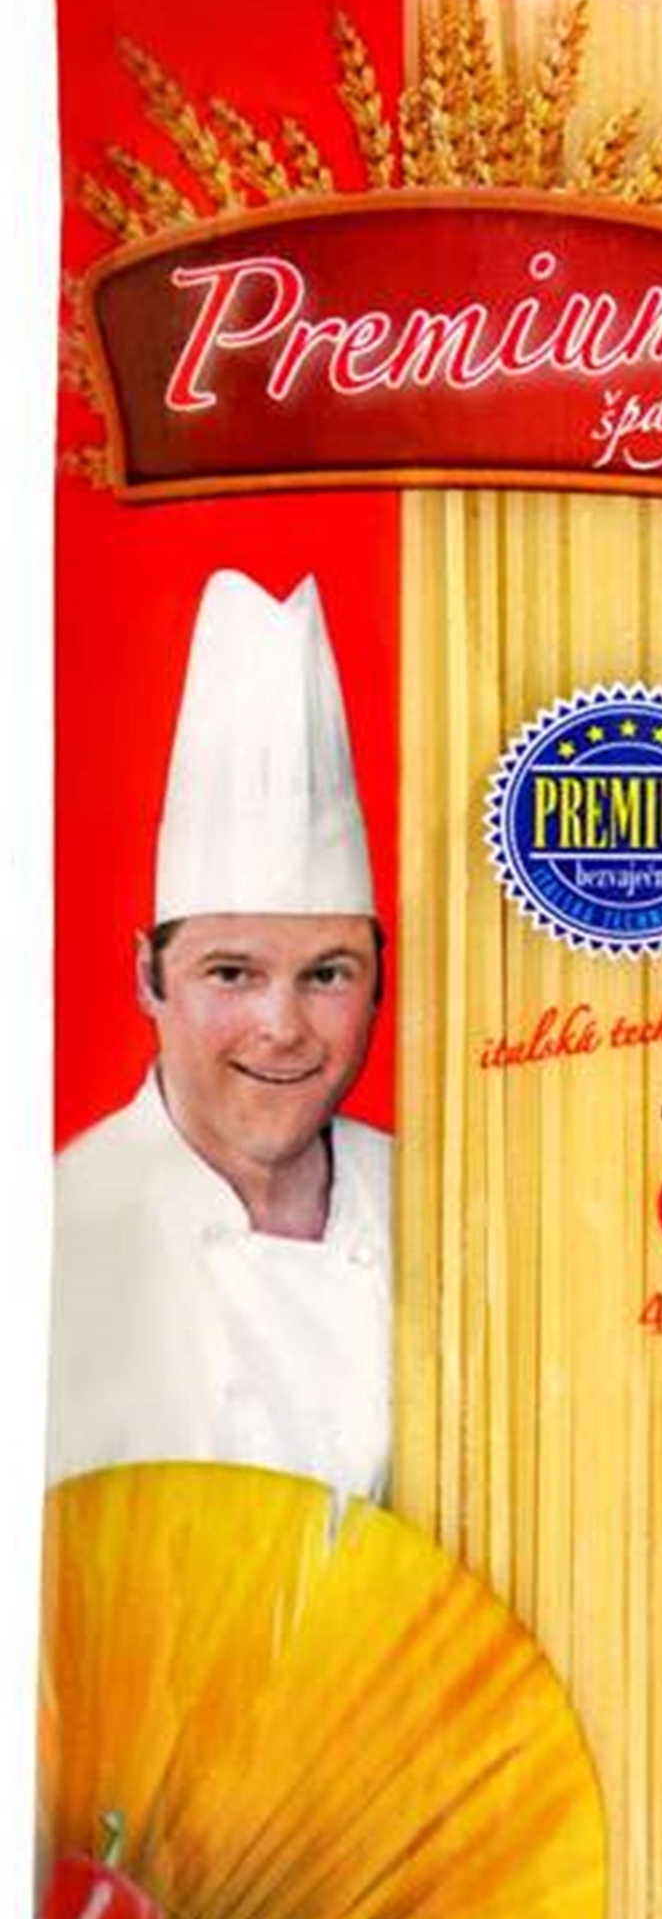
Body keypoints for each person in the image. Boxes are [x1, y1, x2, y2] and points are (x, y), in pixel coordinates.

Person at [47, 571, 391, 1503]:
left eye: (327, 974)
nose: (282, 1028)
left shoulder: (442, 1211)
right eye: (231, 973)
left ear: (378, 983)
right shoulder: (55, 1232)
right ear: (147, 977)